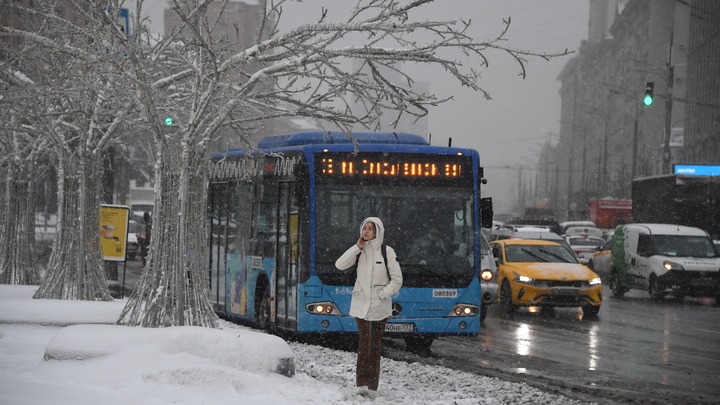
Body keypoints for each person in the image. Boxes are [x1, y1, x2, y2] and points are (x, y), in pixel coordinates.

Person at [335, 217, 402, 394]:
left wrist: (383, 293)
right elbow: (340, 265)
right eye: (364, 228)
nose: (366, 231)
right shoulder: (359, 251)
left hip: (381, 306)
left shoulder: (387, 251)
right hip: (361, 304)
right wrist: (357, 247)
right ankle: (362, 384)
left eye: (370, 228)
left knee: (375, 345)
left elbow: (397, 280)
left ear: (378, 231)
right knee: (364, 343)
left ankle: (373, 385)